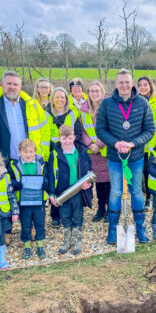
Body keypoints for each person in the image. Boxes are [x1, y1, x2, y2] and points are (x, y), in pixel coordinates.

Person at [96, 68, 156, 245]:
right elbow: (100, 129)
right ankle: (113, 232)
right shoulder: (106, 104)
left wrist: (132, 144)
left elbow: (150, 130)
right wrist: (115, 143)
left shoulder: (143, 103)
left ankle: (140, 230)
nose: (124, 85)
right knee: (115, 193)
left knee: (136, 192)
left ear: (132, 83)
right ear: (116, 84)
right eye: (120, 82)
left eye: (127, 82)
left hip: (136, 157)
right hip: (115, 158)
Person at [0, 70, 51, 162]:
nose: (12, 87)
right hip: (2, 162)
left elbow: (45, 132)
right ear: (3, 85)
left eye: (15, 84)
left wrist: (44, 157)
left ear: (20, 87)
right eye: (9, 83)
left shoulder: (32, 105)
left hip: (31, 161)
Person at [47, 125, 93, 255]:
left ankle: (77, 241)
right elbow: (50, 174)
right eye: (64, 139)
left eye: (69, 138)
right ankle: (67, 241)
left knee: (77, 216)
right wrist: (51, 193)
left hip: (78, 191)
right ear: (59, 138)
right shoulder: (54, 155)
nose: (67, 141)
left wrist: (89, 185)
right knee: (65, 217)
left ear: (74, 137)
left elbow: (89, 171)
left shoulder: (82, 153)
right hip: (62, 192)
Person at [46, 86, 84, 227]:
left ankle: (73, 215)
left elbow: (78, 133)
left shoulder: (73, 113)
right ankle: (55, 215)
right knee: (55, 182)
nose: (60, 99)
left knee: (69, 181)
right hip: (53, 152)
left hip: (69, 149)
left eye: (62, 97)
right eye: (57, 97)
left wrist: (78, 149)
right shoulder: (46, 114)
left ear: (67, 99)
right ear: (52, 99)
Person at [10, 139, 48, 260]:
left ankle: (40, 246)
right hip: (24, 201)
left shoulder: (40, 164)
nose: (29, 155)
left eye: (31, 152)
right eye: (25, 152)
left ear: (35, 152)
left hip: (38, 200)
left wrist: (45, 184)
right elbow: (10, 180)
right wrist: (16, 184)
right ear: (20, 152)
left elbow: (47, 178)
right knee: (26, 225)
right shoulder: (14, 165)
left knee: (40, 223)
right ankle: (27, 247)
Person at [79, 81, 110, 222]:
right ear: (88, 93)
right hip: (93, 151)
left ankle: (111, 208)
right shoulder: (83, 109)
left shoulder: (109, 107)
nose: (94, 93)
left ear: (102, 92)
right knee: (98, 181)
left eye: (97, 90)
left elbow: (111, 129)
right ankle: (101, 208)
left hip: (106, 150)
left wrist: (99, 144)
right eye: (92, 91)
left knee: (109, 181)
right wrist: (91, 144)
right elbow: (83, 130)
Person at [137, 76, 156, 211]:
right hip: (139, 145)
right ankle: (142, 197)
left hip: (153, 146)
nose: (143, 87)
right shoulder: (135, 103)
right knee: (141, 173)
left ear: (150, 86)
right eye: (140, 85)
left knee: (151, 172)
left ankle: (149, 199)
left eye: (146, 85)